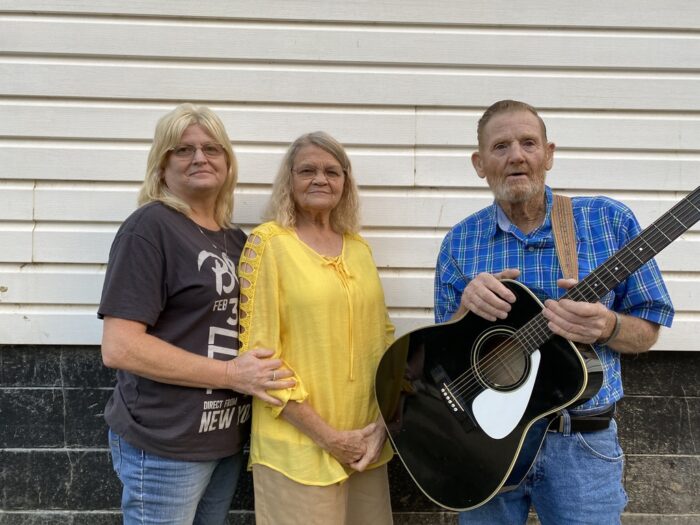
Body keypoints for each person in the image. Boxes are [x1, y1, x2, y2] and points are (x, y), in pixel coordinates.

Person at [434, 99, 674, 524]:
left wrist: (609, 325)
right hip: (487, 444)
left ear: (548, 154)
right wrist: (463, 311)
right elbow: (441, 353)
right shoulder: (460, 242)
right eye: (501, 146)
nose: (516, 156)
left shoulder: (608, 221)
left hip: (580, 444)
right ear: (479, 162)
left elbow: (650, 326)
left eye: (529, 143)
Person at [98, 103, 294, 525]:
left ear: (227, 162)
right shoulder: (150, 228)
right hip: (166, 441)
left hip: (224, 438)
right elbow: (120, 347)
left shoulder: (235, 239)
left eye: (211, 148)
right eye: (183, 150)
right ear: (162, 165)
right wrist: (230, 376)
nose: (200, 157)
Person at [237, 131, 395, 525]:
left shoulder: (359, 249)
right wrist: (329, 437)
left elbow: (383, 339)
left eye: (332, 171)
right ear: (288, 180)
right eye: (307, 170)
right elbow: (260, 359)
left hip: (365, 448)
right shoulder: (268, 244)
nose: (320, 179)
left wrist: (380, 428)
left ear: (345, 182)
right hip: (299, 448)